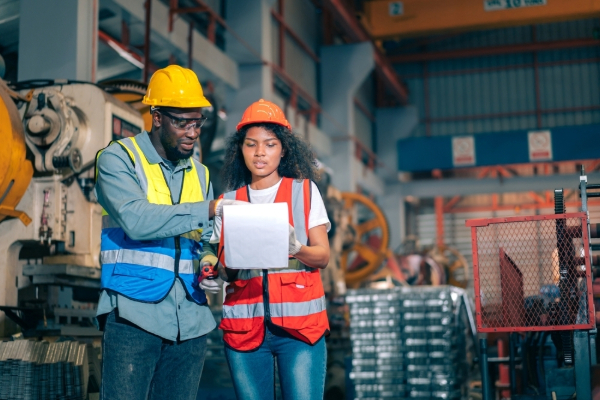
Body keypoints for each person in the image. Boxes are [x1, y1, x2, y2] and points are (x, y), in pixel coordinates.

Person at [94, 65, 241, 400]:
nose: (192, 132)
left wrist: (209, 264)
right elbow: (136, 220)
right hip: (134, 315)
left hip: (191, 320)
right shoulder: (119, 160)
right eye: (181, 122)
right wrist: (208, 209)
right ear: (157, 117)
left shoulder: (201, 174)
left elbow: (203, 240)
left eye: (197, 122)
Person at [212, 99, 331, 400]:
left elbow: (323, 256)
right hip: (244, 330)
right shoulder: (227, 201)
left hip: (301, 332)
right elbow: (222, 268)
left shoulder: (304, 192)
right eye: (251, 144)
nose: (260, 152)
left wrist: (297, 248)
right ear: (241, 149)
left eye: (270, 144)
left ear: (284, 149)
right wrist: (218, 270)